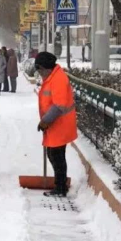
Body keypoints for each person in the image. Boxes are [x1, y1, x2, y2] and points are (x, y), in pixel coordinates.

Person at [35, 52, 77, 197]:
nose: (39, 74)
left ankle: (60, 187)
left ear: (44, 68)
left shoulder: (58, 79)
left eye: (39, 70)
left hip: (60, 123)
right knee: (54, 154)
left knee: (56, 155)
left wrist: (45, 121)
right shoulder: (52, 76)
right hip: (56, 123)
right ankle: (60, 184)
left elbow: (59, 105)